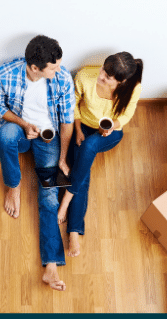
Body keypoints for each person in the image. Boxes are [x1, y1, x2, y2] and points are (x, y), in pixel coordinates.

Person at [0, 35, 75, 291]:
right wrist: (24, 124)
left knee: (48, 196)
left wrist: (62, 157)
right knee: (3, 136)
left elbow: (67, 120)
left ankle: (50, 264)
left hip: (48, 139)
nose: (59, 70)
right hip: (20, 130)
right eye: (54, 66)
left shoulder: (63, 78)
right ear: (35, 67)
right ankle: (13, 185)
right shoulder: (5, 75)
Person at [57, 52, 143, 257]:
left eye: (107, 77)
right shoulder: (85, 76)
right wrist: (77, 129)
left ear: (121, 81)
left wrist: (113, 126)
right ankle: (74, 231)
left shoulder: (133, 87)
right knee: (82, 170)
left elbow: (127, 115)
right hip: (83, 127)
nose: (101, 76)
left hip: (109, 134)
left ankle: (66, 201)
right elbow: (73, 105)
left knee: (88, 149)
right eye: (103, 70)